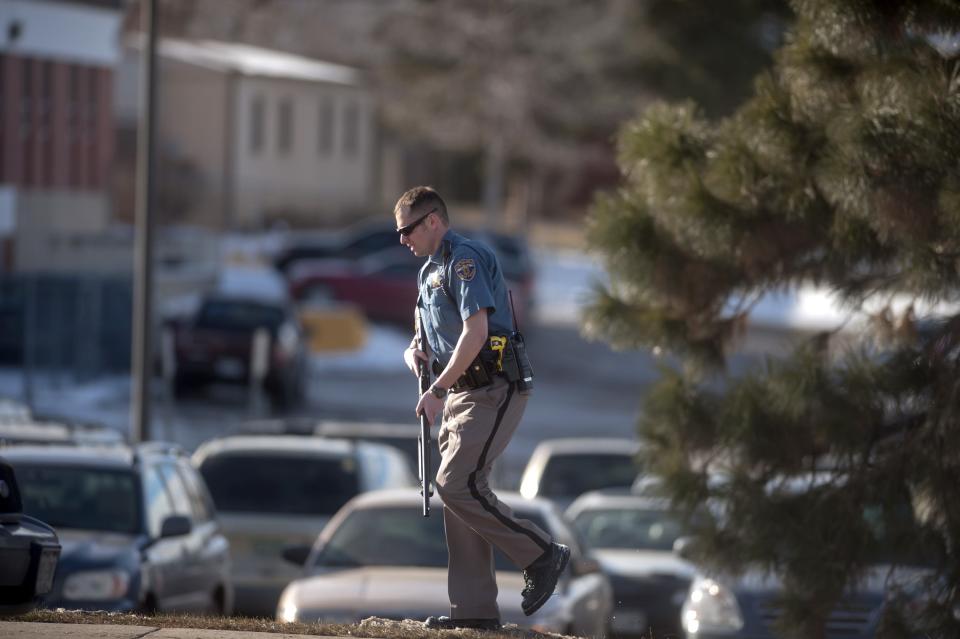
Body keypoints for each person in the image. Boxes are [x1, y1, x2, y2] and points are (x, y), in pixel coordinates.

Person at [395, 186, 569, 631]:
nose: (402, 240)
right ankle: (473, 613)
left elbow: (476, 332)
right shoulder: (428, 272)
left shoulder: (463, 259)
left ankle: (542, 554)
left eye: (408, 229)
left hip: (493, 386)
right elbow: (427, 333)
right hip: (460, 395)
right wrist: (416, 352)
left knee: (456, 484)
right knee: (459, 498)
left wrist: (435, 388)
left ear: (433, 220)